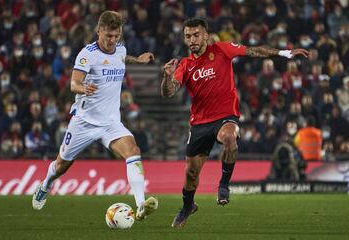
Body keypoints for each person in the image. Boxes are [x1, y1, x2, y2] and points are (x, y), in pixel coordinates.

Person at [161, 18, 309, 227]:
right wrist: (167, 77)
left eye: (196, 35)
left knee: (230, 137)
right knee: (191, 173)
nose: (192, 39)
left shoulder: (222, 50)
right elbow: (168, 93)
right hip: (200, 123)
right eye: (188, 36)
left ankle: (223, 185)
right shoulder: (185, 65)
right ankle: (187, 206)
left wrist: (284, 53)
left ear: (205, 35)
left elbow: (253, 51)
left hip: (226, 116)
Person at [32, 10, 158, 221]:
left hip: (110, 123)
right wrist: (83, 88)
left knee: (133, 150)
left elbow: (120, 57)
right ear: (99, 30)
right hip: (84, 122)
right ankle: (45, 185)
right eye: (108, 35)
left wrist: (137, 59)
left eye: (116, 36)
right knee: (61, 166)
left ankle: (140, 205)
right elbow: (73, 83)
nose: (112, 40)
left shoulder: (119, 49)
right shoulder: (87, 54)